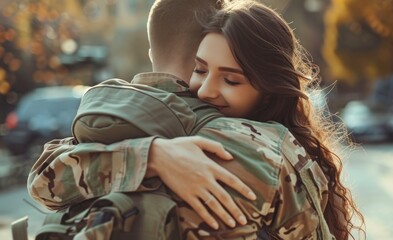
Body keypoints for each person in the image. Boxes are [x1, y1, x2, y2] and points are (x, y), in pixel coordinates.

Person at [28, 0, 365, 239]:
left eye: (231, 79)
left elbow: (42, 184)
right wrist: (154, 156)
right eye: (202, 70)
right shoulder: (274, 150)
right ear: (196, 57)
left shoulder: (106, 126)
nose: (205, 91)